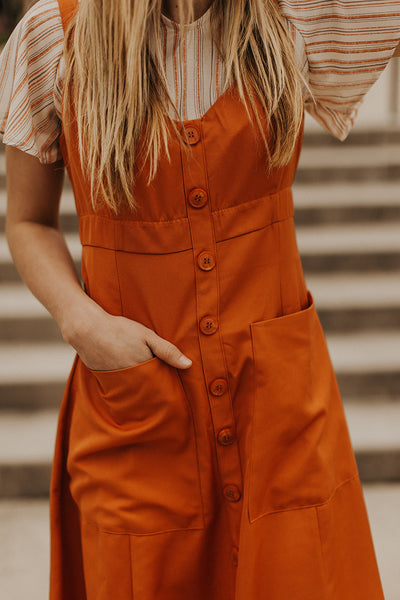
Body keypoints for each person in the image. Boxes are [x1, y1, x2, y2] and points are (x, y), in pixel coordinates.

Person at [1, 0, 399, 598]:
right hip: (136, 408)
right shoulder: (54, 36)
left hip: (279, 407)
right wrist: (83, 323)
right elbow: (27, 221)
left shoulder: (291, 19)